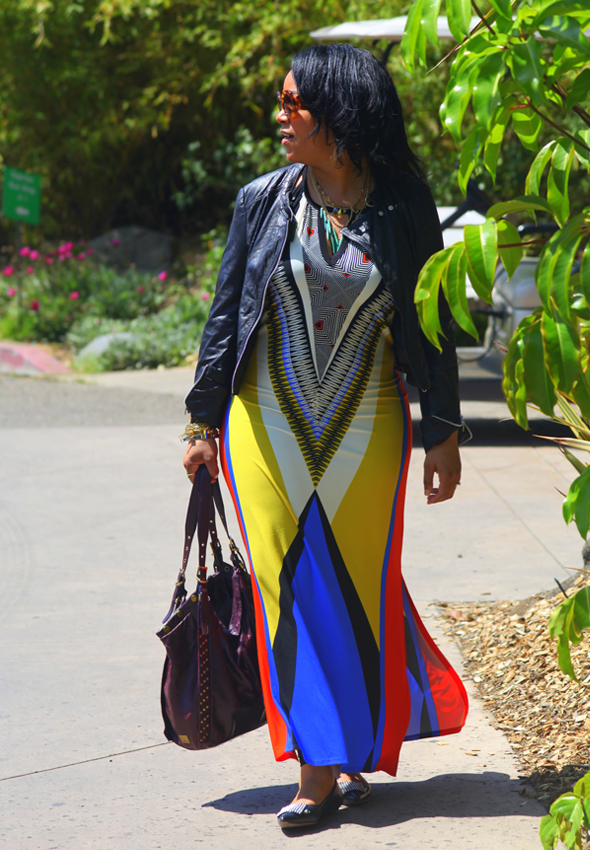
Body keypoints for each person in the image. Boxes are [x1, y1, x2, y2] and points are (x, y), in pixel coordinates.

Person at [183, 43, 469, 830]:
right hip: (262, 423)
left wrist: (442, 430)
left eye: (292, 104)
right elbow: (225, 316)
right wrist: (204, 419)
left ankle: (347, 745)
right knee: (290, 593)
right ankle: (317, 773)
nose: (279, 117)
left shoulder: (406, 205)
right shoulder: (261, 201)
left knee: (354, 589)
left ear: (338, 114)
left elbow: (434, 321)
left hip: (368, 426)